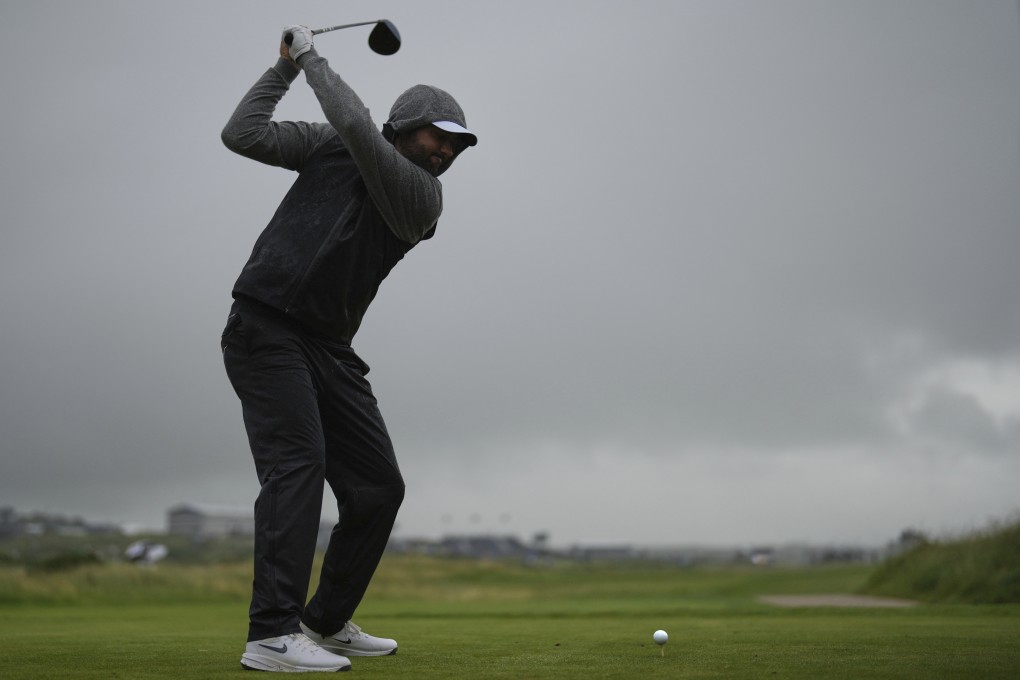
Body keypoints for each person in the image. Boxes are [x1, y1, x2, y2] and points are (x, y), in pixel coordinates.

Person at [219, 25, 477, 673]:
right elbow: (242, 134)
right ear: (406, 125)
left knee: (378, 488)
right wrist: (282, 68)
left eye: (456, 144)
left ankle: (324, 622)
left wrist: (310, 54)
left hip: (329, 346)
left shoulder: (422, 198)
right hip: (266, 327)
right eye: (435, 135)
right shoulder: (331, 146)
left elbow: (359, 129)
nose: (445, 150)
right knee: (298, 466)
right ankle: (272, 634)